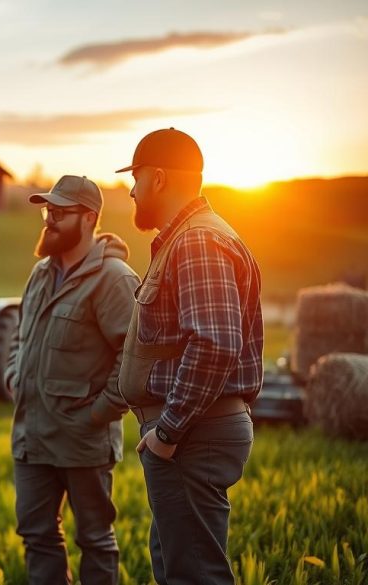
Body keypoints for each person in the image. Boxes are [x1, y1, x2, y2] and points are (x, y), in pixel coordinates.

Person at [116, 128, 263, 585]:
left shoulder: (197, 242)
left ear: (158, 179)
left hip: (191, 435)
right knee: (178, 565)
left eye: (135, 178)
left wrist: (169, 431)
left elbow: (215, 342)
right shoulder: (186, 238)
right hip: (190, 435)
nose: (131, 189)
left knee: (194, 574)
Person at [4, 175, 140, 584]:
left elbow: (134, 359)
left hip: (84, 440)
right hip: (31, 438)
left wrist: (99, 414)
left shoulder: (114, 279)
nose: (49, 220)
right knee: (37, 536)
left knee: (95, 540)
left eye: (61, 213)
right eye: (48, 212)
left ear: (89, 218)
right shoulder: (40, 274)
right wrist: (14, 373)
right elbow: (20, 334)